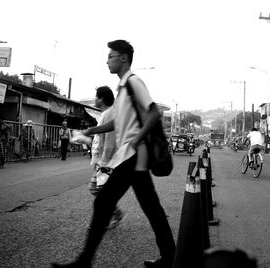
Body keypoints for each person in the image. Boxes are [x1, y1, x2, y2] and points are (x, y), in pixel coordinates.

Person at [52, 40, 175, 268]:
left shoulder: (134, 82)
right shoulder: (122, 88)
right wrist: (92, 129)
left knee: (104, 203)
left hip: (133, 155)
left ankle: (84, 261)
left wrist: (137, 138)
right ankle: (170, 257)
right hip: (131, 157)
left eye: (111, 56)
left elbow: (153, 113)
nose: (107, 60)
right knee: (151, 207)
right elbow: (118, 122)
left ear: (124, 58)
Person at [89, 85, 125, 229]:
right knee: (98, 190)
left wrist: (102, 164)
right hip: (103, 160)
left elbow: (109, 142)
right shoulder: (105, 114)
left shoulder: (109, 114)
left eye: (97, 97)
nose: (95, 99)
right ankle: (115, 213)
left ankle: (104, 220)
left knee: (99, 190)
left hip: (107, 161)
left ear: (102, 99)